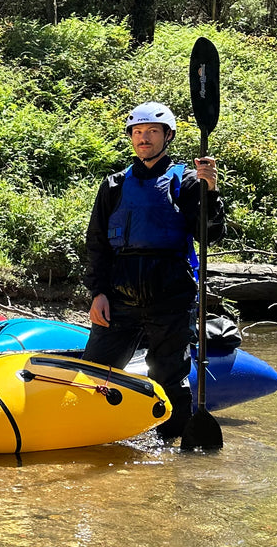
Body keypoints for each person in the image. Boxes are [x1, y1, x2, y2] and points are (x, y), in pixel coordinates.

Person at [82, 102, 223, 441]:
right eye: (138, 132)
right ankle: (93, 433)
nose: (143, 138)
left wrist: (212, 191)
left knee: (168, 374)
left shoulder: (188, 181)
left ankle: (171, 446)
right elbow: (97, 242)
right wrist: (97, 293)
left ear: (167, 136)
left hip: (170, 293)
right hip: (119, 296)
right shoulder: (114, 184)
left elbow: (211, 234)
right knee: (95, 371)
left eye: (152, 132)